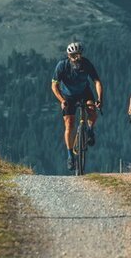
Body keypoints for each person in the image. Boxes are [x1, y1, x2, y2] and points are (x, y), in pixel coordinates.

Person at [51, 41, 103, 171]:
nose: (76, 58)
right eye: (73, 55)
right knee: (69, 124)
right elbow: (54, 86)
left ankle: (90, 130)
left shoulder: (86, 64)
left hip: (84, 92)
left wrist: (99, 99)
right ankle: (70, 156)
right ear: (69, 56)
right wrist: (62, 100)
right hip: (68, 96)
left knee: (92, 110)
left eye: (78, 55)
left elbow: (97, 81)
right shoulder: (62, 66)